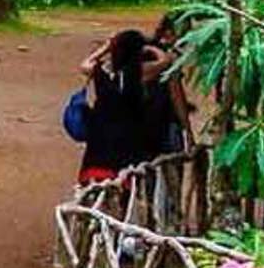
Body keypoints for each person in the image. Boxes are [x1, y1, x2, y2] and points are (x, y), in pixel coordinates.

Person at [78, 29, 167, 185]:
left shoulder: (100, 71)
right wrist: (152, 48)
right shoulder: (137, 72)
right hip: (129, 131)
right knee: (124, 174)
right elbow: (165, 61)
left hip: (100, 131)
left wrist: (105, 48)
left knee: (99, 170)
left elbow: (84, 64)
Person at [145, 15, 195, 157]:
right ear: (169, 32)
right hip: (166, 121)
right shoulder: (170, 57)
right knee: (172, 166)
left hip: (142, 122)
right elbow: (176, 94)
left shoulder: (146, 50)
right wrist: (188, 130)